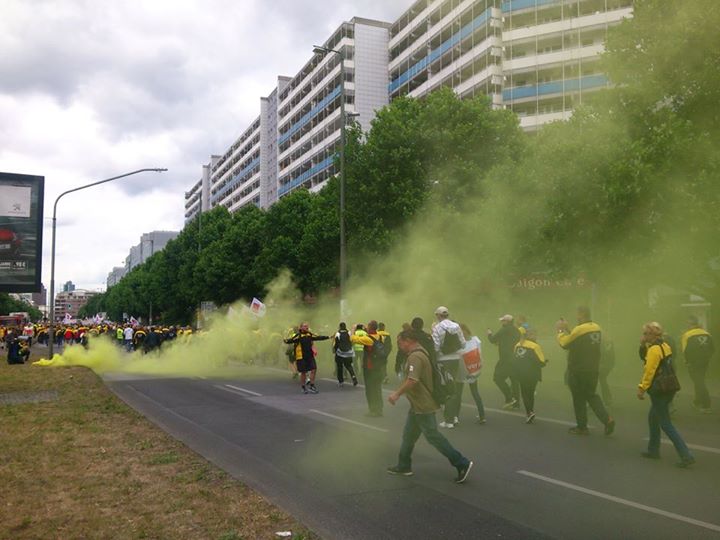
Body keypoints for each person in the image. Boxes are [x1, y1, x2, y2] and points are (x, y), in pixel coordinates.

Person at [386, 329, 473, 483]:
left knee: (433, 436)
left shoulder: (415, 357)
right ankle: (404, 465)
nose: (399, 346)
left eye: (400, 342)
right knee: (408, 436)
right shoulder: (421, 352)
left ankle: (462, 463)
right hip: (417, 405)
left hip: (423, 405)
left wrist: (396, 394)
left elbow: (412, 380)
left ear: (408, 340)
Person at [638, 322, 695, 467]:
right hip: (669, 387)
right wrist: (644, 345)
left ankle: (686, 455)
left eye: (645, 334)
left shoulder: (653, 350)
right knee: (653, 418)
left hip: (659, 390)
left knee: (666, 423)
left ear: (652, 335)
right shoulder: (665, 346)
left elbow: (649, 371)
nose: (643, 336)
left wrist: (641, 388)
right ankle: (653, 450)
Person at [557, 306, 615, 436]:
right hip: (593, 368)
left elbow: (565, 344)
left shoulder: (580, 329)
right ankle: (607, 419)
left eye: (577, 314)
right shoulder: (596, 327)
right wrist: (568, 329)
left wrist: (560, 330)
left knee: (578, 398)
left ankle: (582, 427)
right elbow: (579, 339)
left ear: (581, 314)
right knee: (591, 395)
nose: (576, 317)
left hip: (578, 369)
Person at [431, 306, 466, 428]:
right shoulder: (456, 326)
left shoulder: (437, 327)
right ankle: (454, 416)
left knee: (446, 389)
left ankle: (449, 420)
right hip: (455, 359)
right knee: (454, 388)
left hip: (443, 360)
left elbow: (435, 347)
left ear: (438, 316)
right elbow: (463, 343)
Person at [351, 321, 389, 417]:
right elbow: (380, 333)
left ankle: (373, 410)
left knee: (370, 390)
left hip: (370, 367)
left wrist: (353, 329)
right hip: (379, 367)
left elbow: (353, 339)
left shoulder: (368, 339)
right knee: (377, 389)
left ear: (370, 327)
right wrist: (366, 328)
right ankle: (379, 409)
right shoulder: (380, 336)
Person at [681, 315, 715, 413]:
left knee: (699, 382)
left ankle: (706, 404)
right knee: (699, 380)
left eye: (688, 324)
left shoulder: (687, 335)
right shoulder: (707, 334)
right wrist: (707, 358)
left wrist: (687, 362)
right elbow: (712, 349)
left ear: (691, 324)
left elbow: (685, 350)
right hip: (705, 362)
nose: (687, 326)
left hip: (693, 363)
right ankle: (697, 401)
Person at [284, 323, 329, 394]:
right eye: (305, 326)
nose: (307, 327)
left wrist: (328, 337)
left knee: (314, 369)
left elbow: (317, 337)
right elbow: (289, 341)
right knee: (303, 372)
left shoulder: (309, 334)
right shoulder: (298, 336)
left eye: (307, 326)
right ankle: (303, 387)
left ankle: (312, 386)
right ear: (301, 328)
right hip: (301, 356)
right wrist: (286, 337)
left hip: (310, 356)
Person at [487, 314, 521, 410]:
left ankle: (509, 398)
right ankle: (516, 404)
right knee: (514, 380)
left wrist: (489, 333)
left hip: (505, 359)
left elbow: (493, 340)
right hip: (515, 358)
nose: (502, 322)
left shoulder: (504, 330)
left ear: (507, 322)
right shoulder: (517, 330)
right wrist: (501, 343)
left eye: (503, 321)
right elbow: (510, 342)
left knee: (497, 378)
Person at [513, 329, 546, 424]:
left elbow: (514, 358)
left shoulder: (518, 344)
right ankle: (530, 411)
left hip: (520, 373)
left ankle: (529, 412)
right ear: (530, 336)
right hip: (533, 374)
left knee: (524, 393)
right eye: (534, 334)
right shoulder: (535, 346)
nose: (536, 336)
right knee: (530, 393)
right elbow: (542, 361)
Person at [457, 324, 486, 424]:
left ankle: (482, 416)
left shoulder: (473, 341)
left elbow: (479, 354)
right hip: (467, 371)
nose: (462, 334)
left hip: (471, 371)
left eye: (462, 331)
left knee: (474, 393)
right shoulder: (471, 341)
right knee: (458, 394)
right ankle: (456, 416)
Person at [333, 322, 358, 387]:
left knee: (339, 367)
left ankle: (341, 381)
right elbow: (352, 341)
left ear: (339, 327)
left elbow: (336, 344)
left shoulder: (337, 334)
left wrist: (335, 351)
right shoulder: (349, 332)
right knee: (349, 366)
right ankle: (353, 377)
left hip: (340, 353)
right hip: (349, 352)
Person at [599, 337, 616, 407]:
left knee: (601, 379)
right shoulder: (605, 344)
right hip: (604, 365)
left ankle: (607, 399)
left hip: (605, 365)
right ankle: (607, 399)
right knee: (602, 380)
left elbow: (607, 356)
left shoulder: (607, 345)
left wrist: (602, 365)